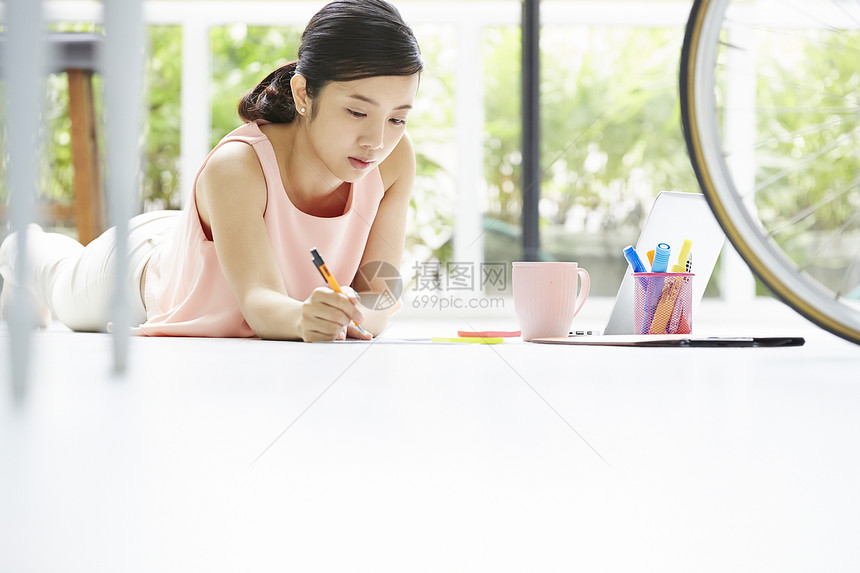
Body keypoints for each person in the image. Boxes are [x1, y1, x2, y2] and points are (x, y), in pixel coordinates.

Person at [0, 0, 423, 342]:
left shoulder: (395, 160)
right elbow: (258, 301)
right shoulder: (237, 166)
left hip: (206, 233)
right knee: (56, 280)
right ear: (302, 93)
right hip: (139, 274)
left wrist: (355, 313)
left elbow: (380, 290)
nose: (377, 141)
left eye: (397, 118)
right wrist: (304, 320)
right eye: (356, 111)